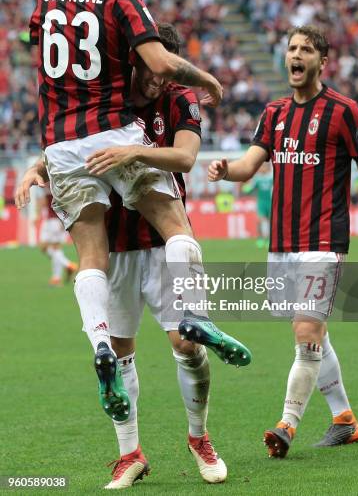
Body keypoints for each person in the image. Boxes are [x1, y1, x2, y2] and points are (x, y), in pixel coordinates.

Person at [21, 0, 249, 423]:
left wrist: (42, 159)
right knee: (176, 224)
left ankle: (100, 343)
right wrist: (209, 79)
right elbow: (163, 63)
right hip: (111, 128)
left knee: (89, 254)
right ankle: (194, 314)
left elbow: (40, 49)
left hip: (60, 143)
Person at [15, 24, 229, 488]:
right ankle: (129, 453)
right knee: (119, 356)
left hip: (161, 247)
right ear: (133, 62)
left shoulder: (177, 100)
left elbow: (186, 157)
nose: (156, 81)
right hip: (116, 252)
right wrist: (35, 167)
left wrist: (131, 152)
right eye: (150, 71)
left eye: (163, 74)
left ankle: (199, 438)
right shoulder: (108, 99)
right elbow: (69, 145)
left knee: (187, 347)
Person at [208, 25, 358, 456]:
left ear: (321, 62)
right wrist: (226, 169)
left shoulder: (344, 111)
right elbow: (250, 164)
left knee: (306, 330)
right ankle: (344, 420)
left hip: (323, 239)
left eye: (306, 50)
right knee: (314, 334)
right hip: (282, 244)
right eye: (291, 48)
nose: (296, 56)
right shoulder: (274, 112)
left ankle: (286, 425)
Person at [37, 188, 78, 286]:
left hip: (52, 222)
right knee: (53, 249)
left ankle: (65, 269)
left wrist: (37, 214)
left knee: (48, 248)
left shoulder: (48, 187)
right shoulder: (60, 187)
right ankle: (62, 271)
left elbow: (42, 202)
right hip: (56, 221)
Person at [243, 162, 272, 248]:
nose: (262, 168)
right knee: (260, 220)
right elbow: (250, 188)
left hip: (271, 202)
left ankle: (269, 240)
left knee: (271, 222)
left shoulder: (272, 177)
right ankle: (260, 238)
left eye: (264, 167)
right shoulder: (257, 178)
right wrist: (246, 189)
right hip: (261, 202)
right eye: (261, 166)